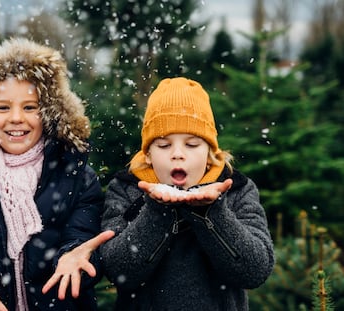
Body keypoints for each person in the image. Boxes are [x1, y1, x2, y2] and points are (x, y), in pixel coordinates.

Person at [0, 38, 114, 311]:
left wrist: (72, 258)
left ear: (50, 113)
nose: (16, 118)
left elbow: (82, 239)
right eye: (3, 107)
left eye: (30, 107)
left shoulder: (76, 175)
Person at [100, 77, 275, 310]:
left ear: (210, 152)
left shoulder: (237, 190)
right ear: (149, 154)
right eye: (164, 145)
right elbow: (118, 271)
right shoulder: (126, 190)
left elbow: (255, 271)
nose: (178, 154)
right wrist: (156, 210)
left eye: (192, 145)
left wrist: (210, 214)